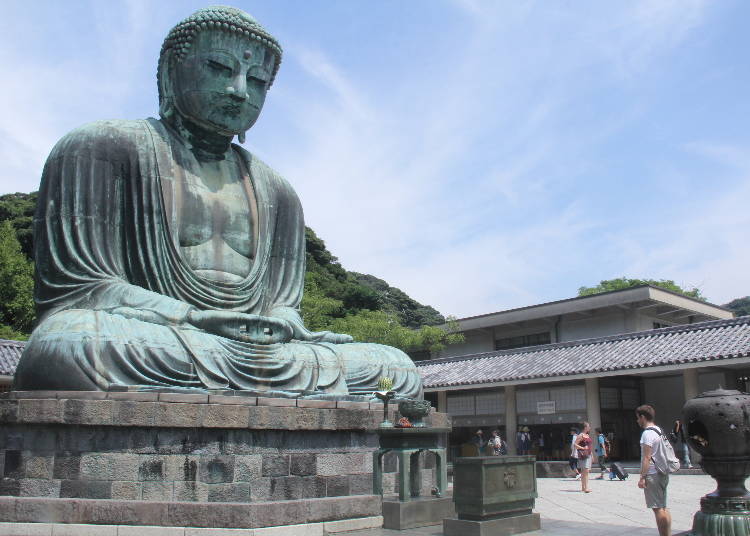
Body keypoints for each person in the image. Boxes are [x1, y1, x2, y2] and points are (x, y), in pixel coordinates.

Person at [12, 6, 422, 399]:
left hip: (259, 352)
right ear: (173, 71)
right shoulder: (100, 147)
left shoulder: (279, 192)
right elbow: (81, 290)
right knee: (65, 344)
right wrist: (189, 317)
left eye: (258, 80)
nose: (240, 90)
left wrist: (280, 324)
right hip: (161, 335)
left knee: (395, 369)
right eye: (221, 68)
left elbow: (281, 305)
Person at [637, 405, 672, 536]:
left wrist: (642, 477)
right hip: (663, 471)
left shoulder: (647, 433)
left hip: (652, 473)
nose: (637, 421)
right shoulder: (659, 430)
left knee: (658, 509)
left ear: (643, 417)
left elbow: (646, 457)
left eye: (638, 418)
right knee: (663, 506)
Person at [574, 421, 593, 493]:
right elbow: (575, 444)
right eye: (588, 426)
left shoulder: (587, 435)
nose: (589, 427)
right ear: (585, 427)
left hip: (588, 455)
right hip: (583, 455)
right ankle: (585, 488)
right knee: (585, 471)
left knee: (585, 471)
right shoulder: (581, 435)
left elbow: (590, 446)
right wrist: (583, 448)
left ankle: (583, 487)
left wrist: (592, 455)